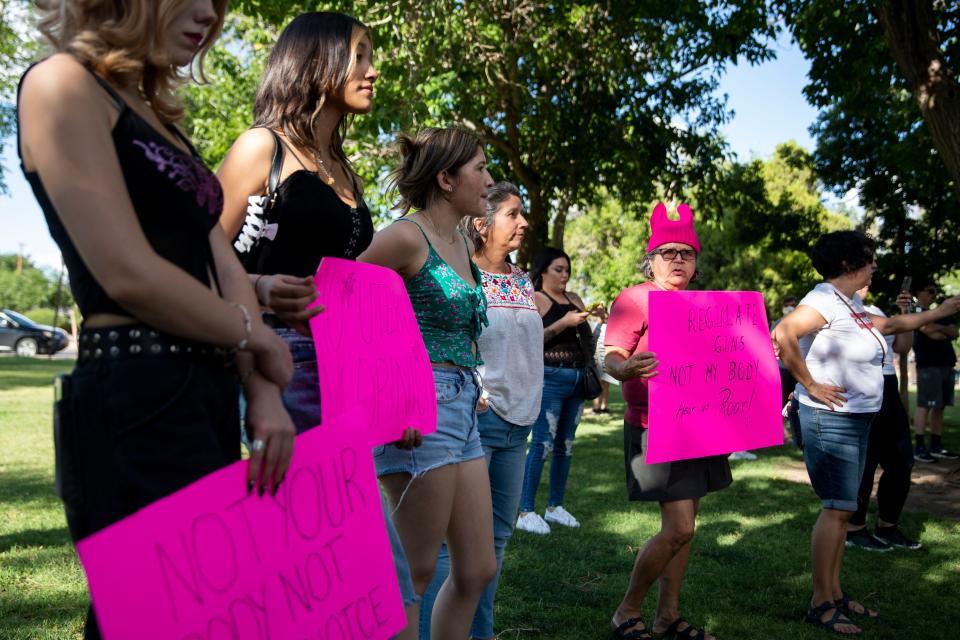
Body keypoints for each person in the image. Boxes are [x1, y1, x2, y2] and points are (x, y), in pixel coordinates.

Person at [17, 2, 295, 637]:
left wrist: (261, 391)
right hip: (133, 395)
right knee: (150, 621)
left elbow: (218, 257)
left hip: (205, 392)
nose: (210, 16)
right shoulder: (60, 83)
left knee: (201, 617)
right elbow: (125, 271)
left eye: (220, 4)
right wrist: (254, 337)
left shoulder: (157, 117)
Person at [216, 11, 418, 616]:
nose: (372, 70)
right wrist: (261, 285)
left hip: (344, 376)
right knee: (365, 574)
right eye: (358, 55)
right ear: (315, 60)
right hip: (279, 366)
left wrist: (397, 387)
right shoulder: (262, 147)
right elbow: (196, 258)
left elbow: (358, 290)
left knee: (343, 578)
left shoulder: (344, 169)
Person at [774, 230, 960, 636]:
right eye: (869, 258)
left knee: (843, 511)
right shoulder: (822, 299)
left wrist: (939, 311)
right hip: (830, 419)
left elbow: (893, 322)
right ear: (848, 263)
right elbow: (784, 334)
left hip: (857, 418)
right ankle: (820, 604)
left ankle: (835, 594)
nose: (874, 265)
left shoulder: (850, 304)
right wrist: (810, 383)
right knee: (836, 508)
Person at [358, 127, 497, 640]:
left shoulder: (460, 238)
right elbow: (342, 304)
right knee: (412, 575)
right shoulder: (404, 237)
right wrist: (392, 398)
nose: (489, 179)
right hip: (420, 409)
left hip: (463, 406)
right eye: (479, 168)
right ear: (445, 178)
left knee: (477, 568)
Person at [419, 182, 544, 640]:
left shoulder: (522, 279)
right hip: (478, 418)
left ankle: (480, 632)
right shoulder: (463, 273)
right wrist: (476, 387)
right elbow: (453, 336)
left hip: (519, 425)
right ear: (482, 224)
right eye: (513, 214)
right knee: (454, 549)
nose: (524, 222)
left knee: (494, 543)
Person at [605, 202, 729, 640]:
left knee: (683, 529)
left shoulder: (707, 305)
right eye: (668, 252)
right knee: (680, 527)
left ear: (696, 264)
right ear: (651, 260)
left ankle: (667, 616)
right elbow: (613, 356)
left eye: (686, 253)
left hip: (700, 427)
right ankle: (627, 609)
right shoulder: (635, 298)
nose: (678, 259)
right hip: (653, 427)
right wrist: (626, 368)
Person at [515, 247, 593, 534]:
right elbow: (531, 339)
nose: (565, 275)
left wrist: (594, 320)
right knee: (542, 444)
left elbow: (587, 340)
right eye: (558, 269)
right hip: (549, 378)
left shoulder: (574, 298)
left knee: (567, 444)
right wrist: (565, 322)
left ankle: (555, 506)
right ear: (543, 271)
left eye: (567, 270)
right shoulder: (536, 299)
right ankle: (525, 510)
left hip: (577, 379)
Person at [845, 285, 920, 551]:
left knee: (901, 460)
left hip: (888, 385)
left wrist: (905, 313)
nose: (867, 281)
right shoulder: (836, 309)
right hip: (861, 387)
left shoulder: (876, 311)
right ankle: (855, 528)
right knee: (866, 462)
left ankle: (888, 526)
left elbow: (902, 347)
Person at [911, 281, 959, 462]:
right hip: (928, 366)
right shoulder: (917, 313)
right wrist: (940, 329)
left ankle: (937, 445)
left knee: (940, 406)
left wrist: (939, 328)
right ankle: (920, 446)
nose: (933, 294)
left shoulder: (940, 312)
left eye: (935, 291)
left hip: (946, 364)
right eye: (929, 291)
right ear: (919, 292)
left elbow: (954, 333)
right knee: (925, 405)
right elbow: (931, 332)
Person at [591, 304, 620, 415]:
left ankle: (603, 407)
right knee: (598, 382)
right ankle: (596, 407)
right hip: (597, 354)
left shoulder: (611, 321)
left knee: (606, 383)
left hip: (607, 353)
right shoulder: (594, 322)